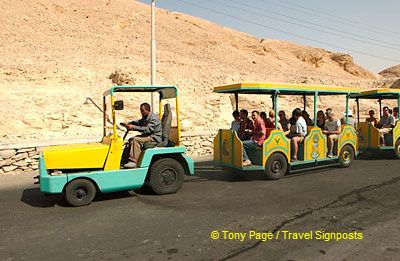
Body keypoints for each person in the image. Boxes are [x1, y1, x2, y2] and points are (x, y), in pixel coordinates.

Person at [120, 103, 162, 168]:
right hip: (148, 135)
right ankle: (124, 160)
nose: (141, 112)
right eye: (140, 110)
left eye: (142, 110)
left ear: (147, 110)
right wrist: (129, 123)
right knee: (131, 139)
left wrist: (133, 127)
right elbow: (139, 122)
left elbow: (148, 129)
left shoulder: (154, 118)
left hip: (154, 137)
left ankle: (133, 161)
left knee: (136, 140)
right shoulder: (145, 117)